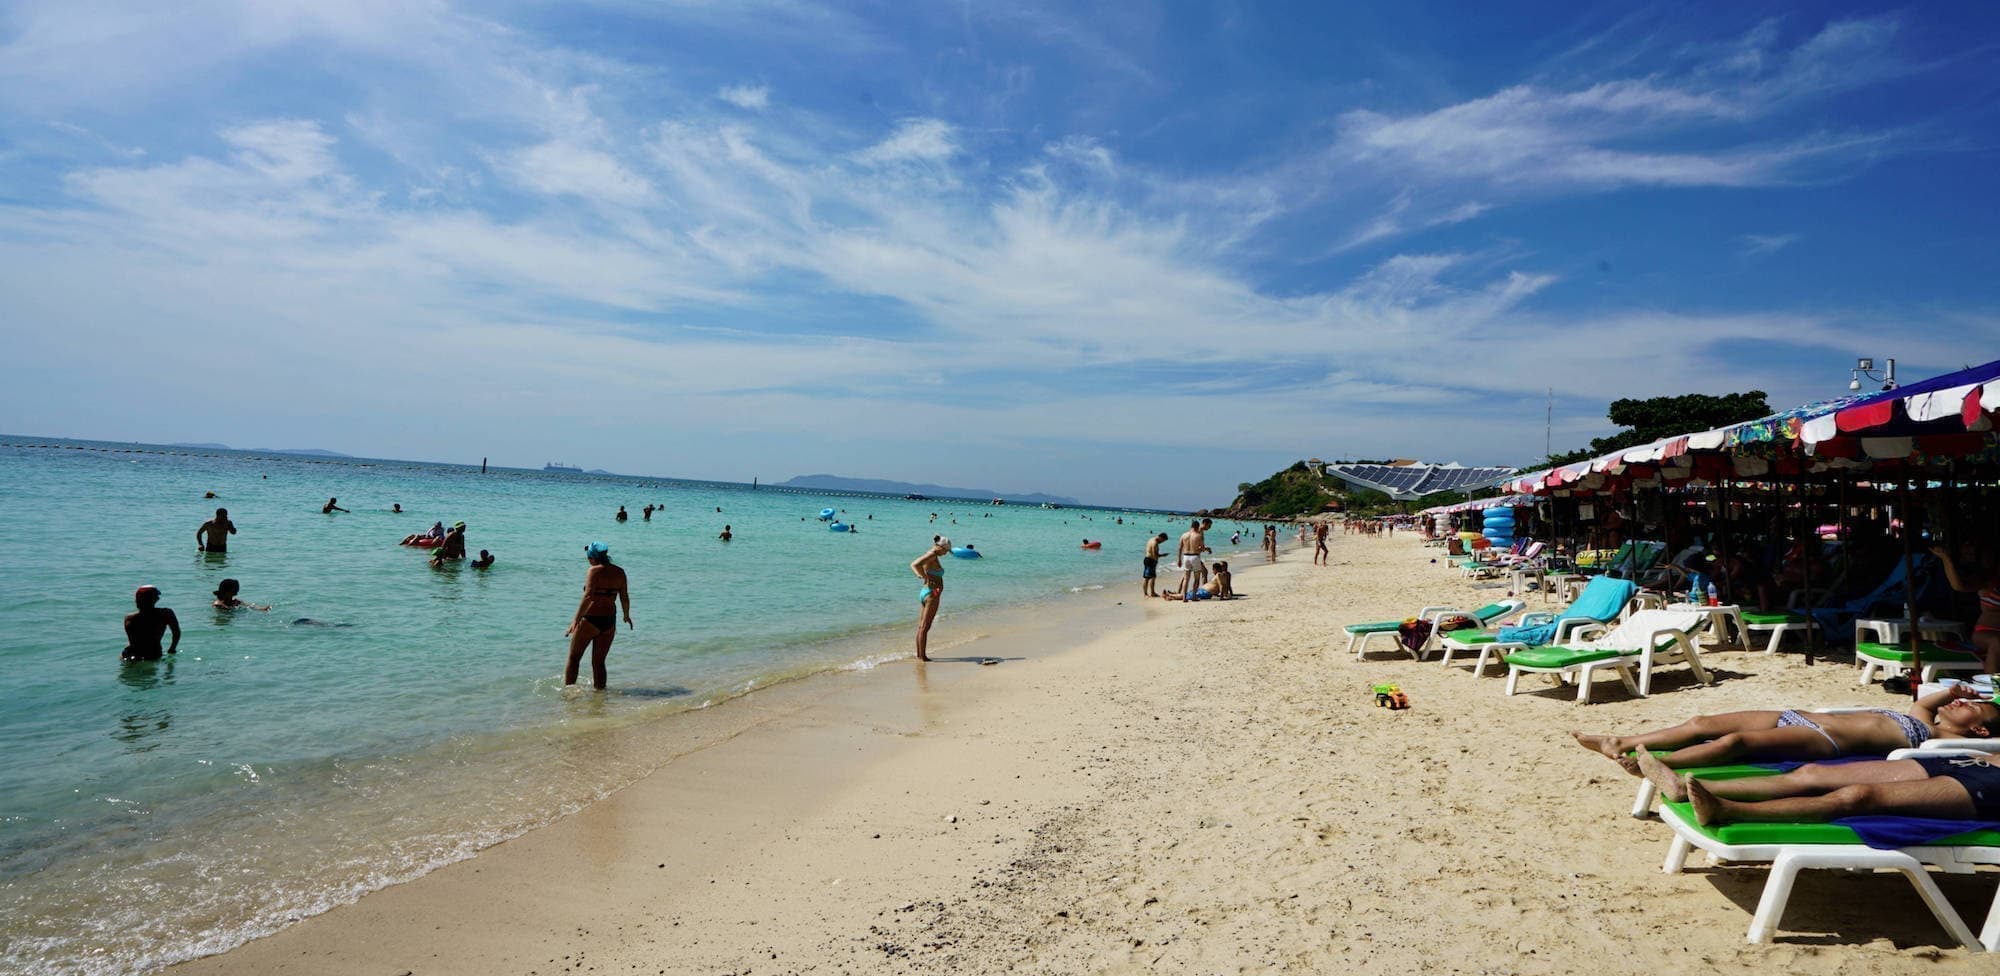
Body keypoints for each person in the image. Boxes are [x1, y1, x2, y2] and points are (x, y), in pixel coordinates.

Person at [1573, 685, 1999, 786]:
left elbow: (1979, 749)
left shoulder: (1938, 741)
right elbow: (1927, 700)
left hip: (1825, 740)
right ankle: (1621, 741)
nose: (1960, 703)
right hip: (1796, 716)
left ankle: (1658, 764)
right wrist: (1957, 692)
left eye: (1971, 707)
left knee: (1734, 744)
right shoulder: (1924, 717)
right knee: (1702, 722)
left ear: (1979, 729)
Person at [1665, 752, 2000, 827]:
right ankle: (1684, 788)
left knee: (1859, 796)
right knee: (1811, 773)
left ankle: (1727, 810)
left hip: (1991, 785)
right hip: (1970, 760)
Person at [564, 542, 631, 689]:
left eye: (589, 558)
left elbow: (588, 596)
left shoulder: (593, 571)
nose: (588, 561)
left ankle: (569, 695)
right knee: (599, 662)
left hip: (590, 620)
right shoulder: (620, 572)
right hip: (609, 621)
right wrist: (626, 615)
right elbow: (624, 596)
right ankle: (600, 696)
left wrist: (575, 620)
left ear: (593, 558)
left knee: (574, 658)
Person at [1934, 543, 2000, 672]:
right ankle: (1992, 683)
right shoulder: (1987, 580)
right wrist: (1947, 560)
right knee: (1997, 642)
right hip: (1986, 633)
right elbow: (1959, 586)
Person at [912, 537, 950, 662]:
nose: (946, 553)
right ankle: (922, 657)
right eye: (946, 551)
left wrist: (924, 576)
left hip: (926, 592)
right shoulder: (932, 555)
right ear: (941, 547)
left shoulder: (932, 555)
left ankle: (920, 655)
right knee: (924, 627)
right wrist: (922, 575)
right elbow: (915, 564)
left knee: (922, 627)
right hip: (931, 594)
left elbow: (919, 566)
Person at [122, 585, 181, 661]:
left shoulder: (129, 618)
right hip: (152, 654)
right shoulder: (165, 614)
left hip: (128, 654)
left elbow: (134, 640)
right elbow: (176, 632)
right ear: (154, 599)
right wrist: (172, 649)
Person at [1176, 519, 1208, 603]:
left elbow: (1180, 548)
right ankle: (1194, 596)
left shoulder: (1183, 535)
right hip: (1195, 556)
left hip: (1185, 556)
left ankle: (1184, 597)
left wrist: (1179, 559)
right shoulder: (1198, 536)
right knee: (1196, 578)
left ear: (1191, 526)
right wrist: (1204, 549)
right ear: (1197, 527)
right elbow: (1202, 548)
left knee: (1186, 578)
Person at [1142, 532, 1167, 597]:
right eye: (1163, 541)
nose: (1162, 542)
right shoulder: (1155, 543)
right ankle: (1145, 594)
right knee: (1147, 578)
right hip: (1150, 561)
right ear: (1161, 538)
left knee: (1153, 577)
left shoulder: (1151, 539)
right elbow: (1154, 554)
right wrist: (1163, 555)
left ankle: (1152, 592)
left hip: (1149, 560)